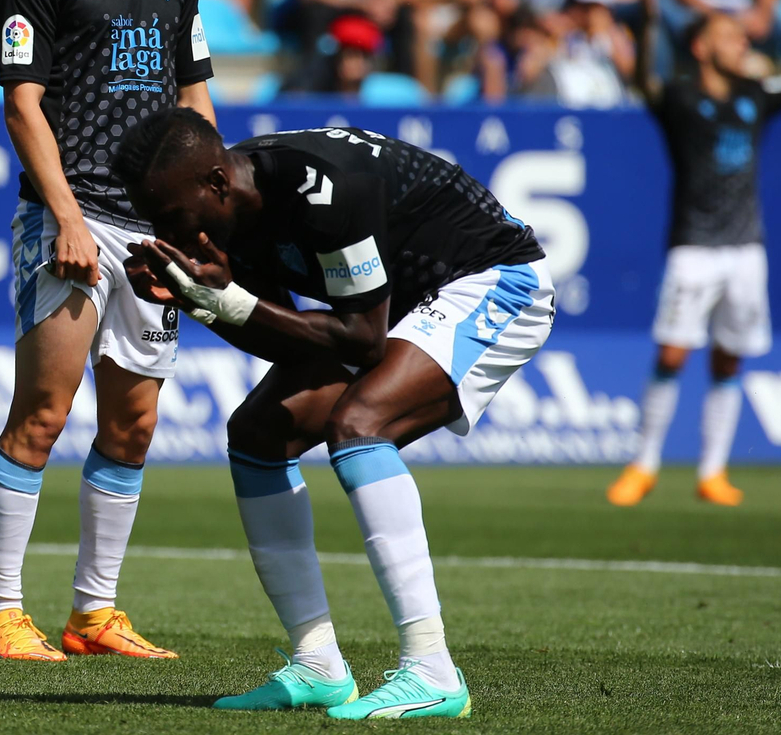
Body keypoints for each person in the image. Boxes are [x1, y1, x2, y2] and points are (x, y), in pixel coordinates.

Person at [112, 107, 552, 719]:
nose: (167, 231)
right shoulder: (232, 206)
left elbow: (361, 342)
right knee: (258, 434)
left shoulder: (321, 191)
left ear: (216, 183)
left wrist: (225, 301)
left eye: (172, 217)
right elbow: (283, 335)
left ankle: (432, 671)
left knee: (360, 427)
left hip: (490, 278)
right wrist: (205, 302)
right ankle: (317, 665)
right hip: (388, 307)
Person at [0, 0, 215, 662]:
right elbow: (22, 105)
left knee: (135, 422)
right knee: (42, 413)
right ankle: (2, 613)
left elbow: (193, 101)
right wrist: (66, 218)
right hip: (70, 217)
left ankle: (94, 613)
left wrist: (203, 211)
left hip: (151, 227)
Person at [608, 0, 781, 508]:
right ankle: (644, 464)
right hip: (694, 246)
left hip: (746, 250)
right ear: (701, 47)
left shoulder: (754, 94)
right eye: (729, 35)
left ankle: (712, 471)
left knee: (729, 360)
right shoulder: (680, 98)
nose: (742, 42)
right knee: (673, 352)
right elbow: (642, 82)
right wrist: (652, 21)